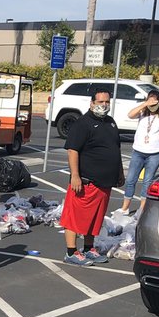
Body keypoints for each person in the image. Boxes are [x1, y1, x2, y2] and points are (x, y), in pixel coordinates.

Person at [60, 87, 124, 266]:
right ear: (92, 103)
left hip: (104, 183)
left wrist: (119, 172)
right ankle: (71, 252)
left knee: (95, 218)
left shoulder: (110, 122)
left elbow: (116, 149)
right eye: (100, 102)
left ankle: (89, 248)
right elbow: (72, 150)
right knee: (75, 218)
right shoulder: (83, 123)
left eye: (107, 102)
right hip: (86, 182)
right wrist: (75, 175)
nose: (104, 105)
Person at [120, 88, 159, 216]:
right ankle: (124, 208)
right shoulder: (143, 112)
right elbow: (130, 115)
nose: (152, 106)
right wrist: (145, 104)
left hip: (155, 152)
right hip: (138, 151)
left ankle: (142, 209)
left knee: (147, 181)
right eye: (150, 103)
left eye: (155, 103)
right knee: (131, 179)